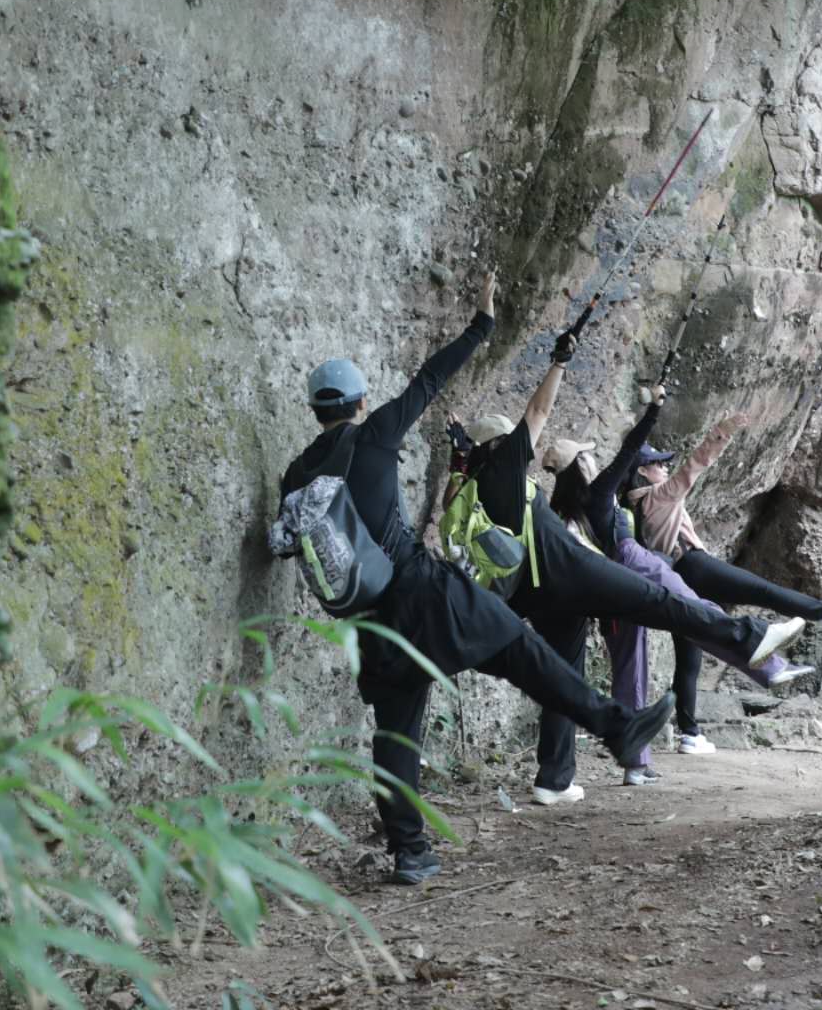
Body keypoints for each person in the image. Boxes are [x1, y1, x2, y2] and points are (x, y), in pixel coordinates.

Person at [280, 271, 673, 886]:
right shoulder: (375, 434)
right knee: (523, 651)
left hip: (369, 622)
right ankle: (618, 728)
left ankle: (410, 853)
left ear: (314, 411)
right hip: (424, 592)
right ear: (358, 404)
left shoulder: (296, 476)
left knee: (395, 734)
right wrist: (482, 321)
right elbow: (430, 379)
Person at [459, 343, 807, 805]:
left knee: (562, 679)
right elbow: (539, 410)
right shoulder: (506, 471)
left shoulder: (472, 489)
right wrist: (560, 363)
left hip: (536, 595)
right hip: (573, 572)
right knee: (659, 603)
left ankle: (554, 778)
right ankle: (750, 636)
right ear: (498, 447)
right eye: (510, 440)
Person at [544, 387, 810, 778]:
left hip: (608, 590)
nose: (594, 458)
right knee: (697, 613)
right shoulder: (599, 493)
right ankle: (765, 655)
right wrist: (654, 410)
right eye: (587, 455)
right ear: (580, 465)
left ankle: (636, 765)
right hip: (634, 564)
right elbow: (628, 452)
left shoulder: (564, 509)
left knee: (632, 671)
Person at [624, 413, 822, 755]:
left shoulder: (635, 506)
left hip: (678, 579)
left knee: (690, 656)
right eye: (658, 464)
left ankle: (690, 733)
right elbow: (693, 468)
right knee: (761, 591)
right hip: (695, 566)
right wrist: (721, 433)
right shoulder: (657, 496)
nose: (665, 468)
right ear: (642, 471)